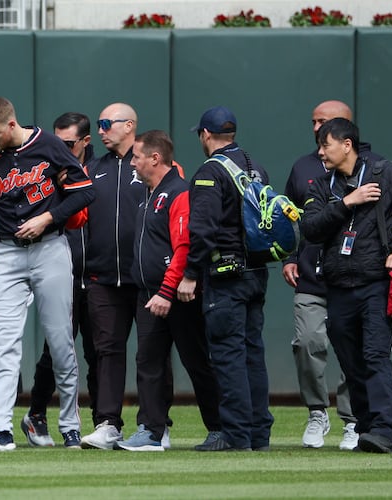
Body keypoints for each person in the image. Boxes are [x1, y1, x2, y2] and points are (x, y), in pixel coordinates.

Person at [303, 117, 392, 453]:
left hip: (376, 282)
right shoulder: (321, 186)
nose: (320, 152)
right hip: (336, 286)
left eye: (325, 144)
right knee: (350, 361)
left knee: (375, 354)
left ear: (346, 144)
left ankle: (383, 430)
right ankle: (364, 426)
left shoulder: (386, 174)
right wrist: (348, 202)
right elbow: (310, 228)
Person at [0, 96, 95, 451]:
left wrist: (47, 217)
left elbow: (84, 193)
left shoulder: (49, 145)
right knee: (5, 343)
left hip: (49, 249)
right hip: (8, 253)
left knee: (60, 343)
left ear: (11, 124)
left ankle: (70, 423)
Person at [283, 100, 383, 450]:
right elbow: (295, 220)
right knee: (307, 342)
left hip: (355, 276)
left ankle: (353, 418)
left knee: (352, 350)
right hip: (312, 273)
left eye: (323, 123)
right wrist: (290, 257)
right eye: (313, 122)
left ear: (346, 132)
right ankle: (316, 411)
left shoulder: (376, 168)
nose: (315, 129)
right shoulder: (303, 168)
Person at [113, 130, 221, 451]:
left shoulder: (178, 192)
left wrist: (166, 290)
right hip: (148, 293)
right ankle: (151, 431)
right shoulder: (150, 192)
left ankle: (219, 428)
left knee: (197, 362)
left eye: (136, 157)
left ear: (155, 158)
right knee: (148, 362)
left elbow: (184, 247)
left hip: (176, 295)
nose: (132, 163)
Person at [178, 106, 274, 451]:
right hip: (256, 272)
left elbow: (202, 230)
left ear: (205, 135)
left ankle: (236, 436)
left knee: (228, 357)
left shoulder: (209, 172)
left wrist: (190, 275)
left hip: (225, 276)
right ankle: (259, 434)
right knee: (252, 354)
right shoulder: (254, 167)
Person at [80, 103, 172, 450]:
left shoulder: (153, 165)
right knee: (106, 350)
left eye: (107, 124)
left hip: (145, 280)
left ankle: (156, 425)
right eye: (99, 124)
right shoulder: (92, 167)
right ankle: (107, 423)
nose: (101, 130)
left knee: (152, 353)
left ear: (129, 125)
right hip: (103, 277)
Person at [20, 112, 98, 447]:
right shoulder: (45, 166)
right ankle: (36, 414)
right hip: (58, 272)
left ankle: (103, 422)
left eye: (68, 144)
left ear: (85, 142)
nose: (61, 149)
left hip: (97, 276)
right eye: (57, 142)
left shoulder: (103, 171)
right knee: (56, 350)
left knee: (98, 352)